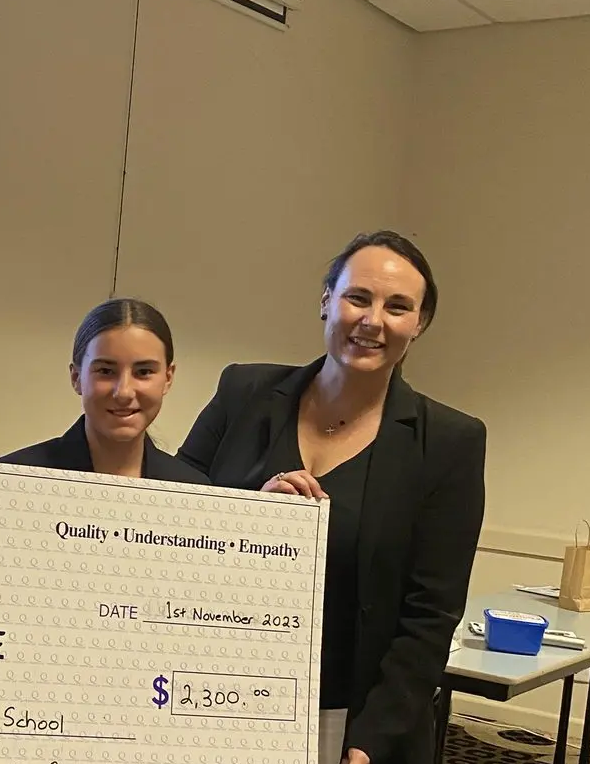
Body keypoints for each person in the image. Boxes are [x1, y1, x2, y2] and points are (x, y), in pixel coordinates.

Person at [176, 231, 486, 764]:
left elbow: (431, 614)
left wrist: (369, 742)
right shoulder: (243, 393)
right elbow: (174, 518)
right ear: (326, 300)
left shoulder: (449, 442)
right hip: (208, 692)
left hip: (347, 721)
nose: (373, 320)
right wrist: (255, 515)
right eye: (358, 298)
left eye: (398, 307)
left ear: (419, 324)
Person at [0, 297, 208, 484]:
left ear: (168, 378)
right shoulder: (13, 480)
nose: (124, 392)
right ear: (76, 377)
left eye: (143, 371)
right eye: (106, 371)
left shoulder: (192, 492)